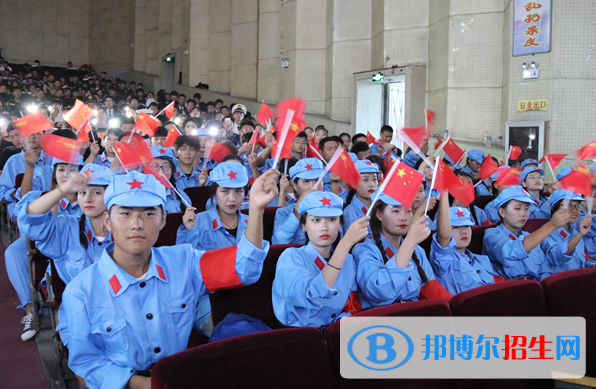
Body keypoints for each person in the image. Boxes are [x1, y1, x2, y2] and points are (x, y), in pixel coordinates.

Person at [61, 168, 278, 389]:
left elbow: (244, 269)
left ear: (163, 220)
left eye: (148, 213)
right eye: (125, 213)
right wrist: (145, 384)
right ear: (108, 220)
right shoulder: (80, 291)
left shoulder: (184, 261)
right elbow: (86, 362)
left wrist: (256, 210)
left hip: (179, 376)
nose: (137, 224)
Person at [272, 192, 370, 328]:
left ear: (340, 224)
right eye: (316, 220)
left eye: (332, 220)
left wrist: (341, 323)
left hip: (336, 332)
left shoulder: (348, 260)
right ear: (303, 226)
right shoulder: (290, 257)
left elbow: (351, 304)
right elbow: (312, 296)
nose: (324, 227)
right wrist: (345, 244)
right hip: (299, 337)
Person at [352, 192, 450, 309]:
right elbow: (380, 292)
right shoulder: (364, 250)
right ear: (379, 214)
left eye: (408, 211)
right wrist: (409, 242)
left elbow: (430, 291)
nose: (404, 218)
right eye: (396, 211)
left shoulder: (417, 251)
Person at [482, 186, 568, 280]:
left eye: (526, 209)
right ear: (502, 212)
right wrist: (551, 225)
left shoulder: (528, 236)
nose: (523, 214)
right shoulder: (492, 235)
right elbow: (512, 251)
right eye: (518, 208)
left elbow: (544, 270)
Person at [430, 193, 501, 295]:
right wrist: (444, 193)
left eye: (467, 226)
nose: (463, 231)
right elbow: (443, 236)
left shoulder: (483, 260)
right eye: (455, 227)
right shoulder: (444, 261)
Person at [177, 161, 248, 250]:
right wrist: (190, 231)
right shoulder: (197, 222)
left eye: (238, 191)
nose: (232, 199)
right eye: (225, 191)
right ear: (215, 193)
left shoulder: (250, 223)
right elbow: (182, 257)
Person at [540, 189, 595, 272]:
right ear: (555, 207)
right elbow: (558, 257)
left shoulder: (575, 233)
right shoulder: (545, 233)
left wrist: (591, 265)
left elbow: (581, 262)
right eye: (569, 205)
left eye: (578, 206)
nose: (575, 210)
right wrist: (580, 235)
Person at [272, 158, 324, 245]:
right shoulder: (283, 212)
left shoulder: (333, 211)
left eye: (317, 180)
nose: (313, 187)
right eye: (306, 181)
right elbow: (280, 241)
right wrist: (299, 207)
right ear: (295, 186)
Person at [146, 146, 191, 213]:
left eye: (166, 166)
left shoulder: (182, 197)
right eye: (155, 166)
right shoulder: (139, 196)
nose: (161, 171)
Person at [343, 160, 380, 236]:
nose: (372, 184)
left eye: (374, 179)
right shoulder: (350, 212)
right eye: (365, 180)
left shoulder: (380, 207)